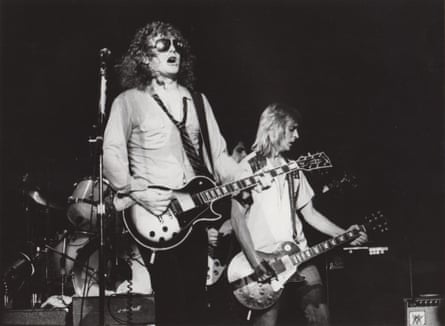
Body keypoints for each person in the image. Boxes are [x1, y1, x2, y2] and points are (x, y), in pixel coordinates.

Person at [102, 21, 238, 325]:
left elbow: (218, 155)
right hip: (154, 214)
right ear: (145, 57)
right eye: (163, 45)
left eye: (177, 44)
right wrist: (137, 191)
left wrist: (244, 175)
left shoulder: (198, 101)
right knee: (171, 298)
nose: (173, 49)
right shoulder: (129, 101)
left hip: (195, 209)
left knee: (195, 299)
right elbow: (111, 153)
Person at [230, 103, 368, 326]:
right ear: (275, 127)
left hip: (298, 254)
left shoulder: (293, 168)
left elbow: (310, 213)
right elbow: (237, 219)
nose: (297, 135)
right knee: (267, 321)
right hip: (263, 260)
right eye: (292, 128)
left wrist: (346, 233)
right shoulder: (249, 168)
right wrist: (256, 263)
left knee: (321, 317)